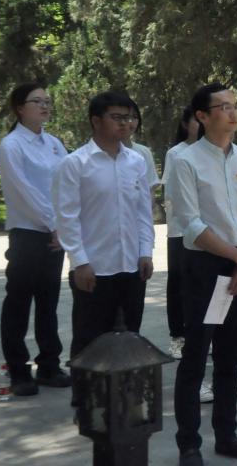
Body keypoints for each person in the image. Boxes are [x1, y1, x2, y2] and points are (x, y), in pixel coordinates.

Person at [170, 83, 237, 465]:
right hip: (206, 268)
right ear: (202, 116)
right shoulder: (186, 161)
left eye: (235, 106)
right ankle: (189, 443)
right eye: (223, 107)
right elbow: (191, 225)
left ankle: (227, 435)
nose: (232, 112)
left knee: (230, 356)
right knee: (196, 355)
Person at [52, 91, 154, 365]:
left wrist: (146, 251)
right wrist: (80, 262)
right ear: (96, 121)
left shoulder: (136, 162)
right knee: (90, 339)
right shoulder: (75, 163)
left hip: (132, 266)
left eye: (129, 117)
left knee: (130, 336)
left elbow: (143, 211)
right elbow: (67, 218)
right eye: (117, 117)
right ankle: (86, 391)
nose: (125, 123)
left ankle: (126, 389)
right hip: (94, 268)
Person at [0, 83, 70, 396]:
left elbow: (68, 182)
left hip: (55, 234)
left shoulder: (53, 144)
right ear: (19, 108)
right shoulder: (10, 146)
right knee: (19, 302)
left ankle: (49, 365)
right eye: (36, 101)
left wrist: (65, 225)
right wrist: (54, 224)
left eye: (47, 100)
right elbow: (24, 191)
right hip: (27, 234)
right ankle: (18, 370)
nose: (44, 105)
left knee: (48, 302)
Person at [162, 107, 201, 360]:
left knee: (200, 285)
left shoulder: (211, 151)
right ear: (185, 124)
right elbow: (171, 194)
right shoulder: (176, 153)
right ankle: (177, 337)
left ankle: (199, 336)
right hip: (180, 230)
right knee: (178, 284)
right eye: (196, 121)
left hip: (208, 232)